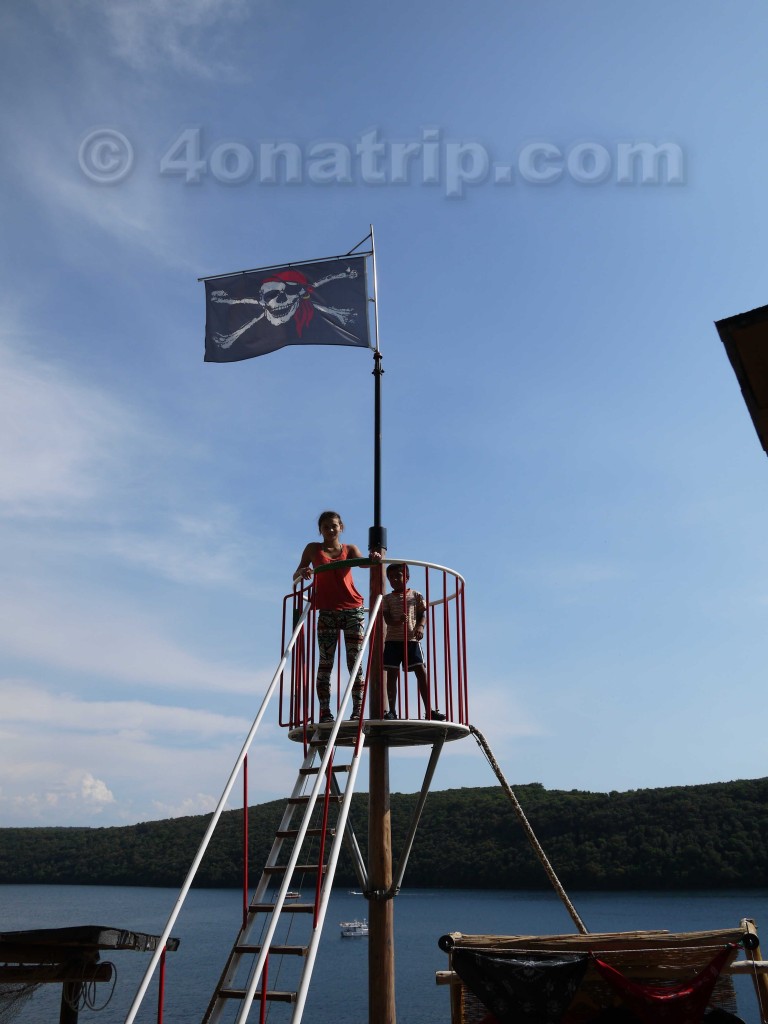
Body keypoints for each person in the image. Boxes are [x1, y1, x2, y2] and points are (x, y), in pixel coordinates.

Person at [294, 511, 379, 723]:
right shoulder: (313, 549)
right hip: (327, 611)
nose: (331, 530)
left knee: (354, 662)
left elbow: (364, 563)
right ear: (320, 530)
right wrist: (304, 572)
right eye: (326, 527)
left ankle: (357, 710)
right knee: (325, 663)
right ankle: (325, 712)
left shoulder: (348, 549)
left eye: (334, 526)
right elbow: (296, 573)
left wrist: (375, 558)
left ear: (341, 527)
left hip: (352, 609)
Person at [381, 563, 446, 721]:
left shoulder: (416, 595)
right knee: (391, 674)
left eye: (399, 576)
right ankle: (392, 710)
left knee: (421, 672)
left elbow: (422, 614)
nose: (395, 579)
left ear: (407, 577)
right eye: (391, 577)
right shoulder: (387, 598)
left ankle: (428, 709)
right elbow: (387, 619)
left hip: (411, 640)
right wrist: (398, 621)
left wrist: (420, 627)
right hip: (393, 641)